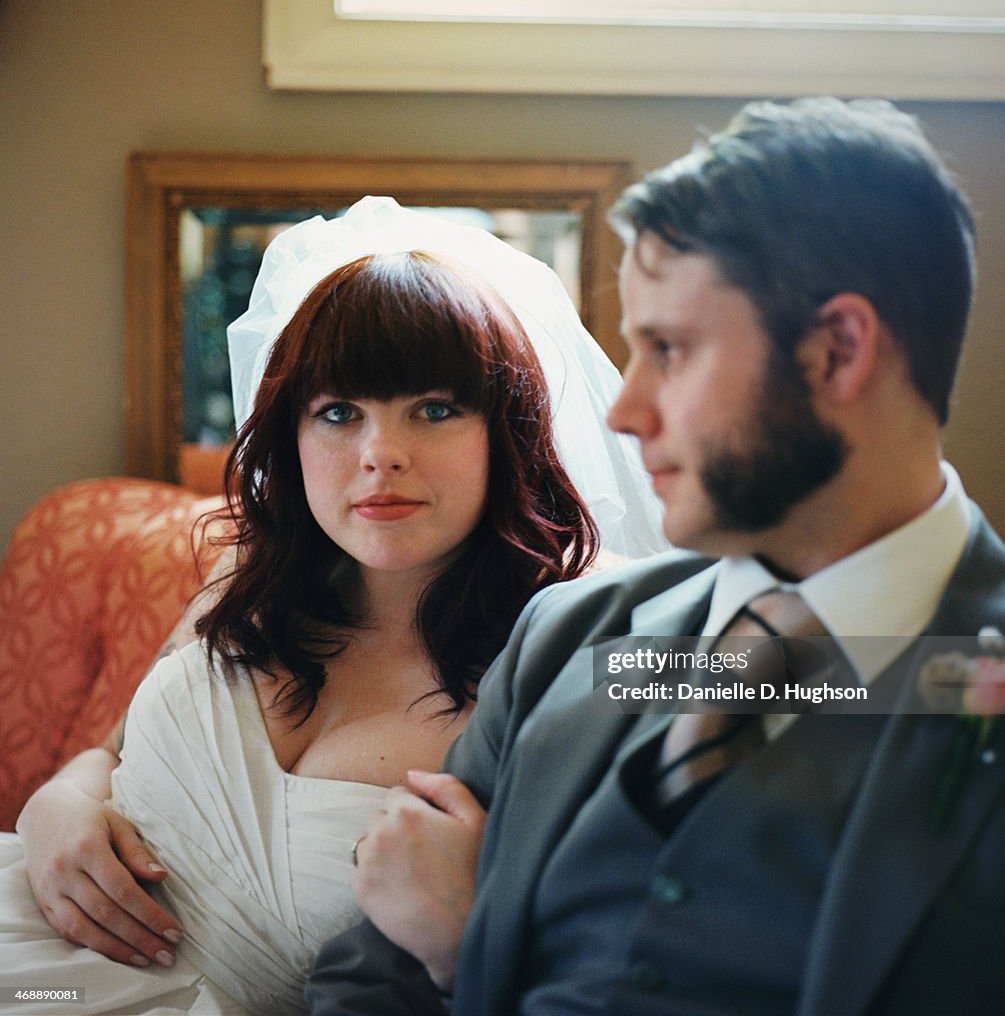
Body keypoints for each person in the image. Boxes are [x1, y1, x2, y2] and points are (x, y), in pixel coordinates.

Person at [307, 99, 1005, 1015]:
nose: (623, 412)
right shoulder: (566, 634)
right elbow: (365, 985)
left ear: (837, 353)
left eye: (669, 350)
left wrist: (468, 953)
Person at [1, 198, 665, 1015]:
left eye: (434, 408)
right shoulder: (252, 576)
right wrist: (56, 802)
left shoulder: (595, 625)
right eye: (339, 412)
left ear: (508, 431)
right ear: (294, 437)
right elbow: (110, 750)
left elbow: (849, 682)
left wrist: (478, 938)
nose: (380, 455)